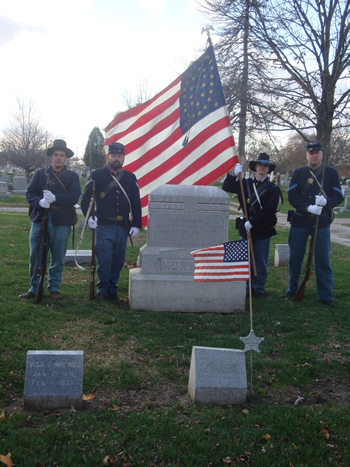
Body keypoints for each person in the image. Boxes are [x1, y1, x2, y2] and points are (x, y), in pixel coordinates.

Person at [19, 139, 81, 300]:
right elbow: (30, 193)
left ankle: (54, 287)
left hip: (61, 220)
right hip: (40, 218)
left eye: (62, 155)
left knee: (58, 256)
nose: (59, 158)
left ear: (66, 158)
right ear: (51, 156)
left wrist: (56, 198)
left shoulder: (72, 176)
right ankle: (34, 287)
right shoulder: (40, 174)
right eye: (56, 155)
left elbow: (74, 197)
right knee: (36, 255)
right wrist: (39, 202)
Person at [81, 142, 141, 304]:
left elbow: (136, 202)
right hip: (103, 225)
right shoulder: (97, 175)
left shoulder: (130, 177)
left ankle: (112, 289)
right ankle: (102, 288)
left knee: (118, 260)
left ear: (123, 158)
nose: (117, 159)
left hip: (122, 227)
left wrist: (136, 224)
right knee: (104, 259)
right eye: (114, 156)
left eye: (120, 156)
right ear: (109, 157)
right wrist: (90, 217)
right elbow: (86, 199)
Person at [285, 141, 343, 307]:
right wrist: (307, 207)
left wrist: (326, 202)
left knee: (323, 260)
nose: (314, 155)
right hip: (300, 220)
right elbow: (292, 195)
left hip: (322, 222)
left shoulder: (331, 173)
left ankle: (326, 295)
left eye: (317, 152)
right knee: (295, 258)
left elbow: (338, 196)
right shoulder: (298, 173)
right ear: (307, 155)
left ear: (322, 154)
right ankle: (292, 289)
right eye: (311, 153)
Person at [223, 153, 280, 298]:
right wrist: (233, 174)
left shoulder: (273, 188)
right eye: (260, 165)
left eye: (265, 166)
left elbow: (269, 209)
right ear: (255, 166)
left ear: (268, 169)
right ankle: (246, 287)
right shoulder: (245, 183)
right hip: (246, 227)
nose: (262, 168)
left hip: (262, 227)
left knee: (260, 260)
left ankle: (258, 287)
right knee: (245, 259)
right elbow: (227, 186)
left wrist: (253, 222)